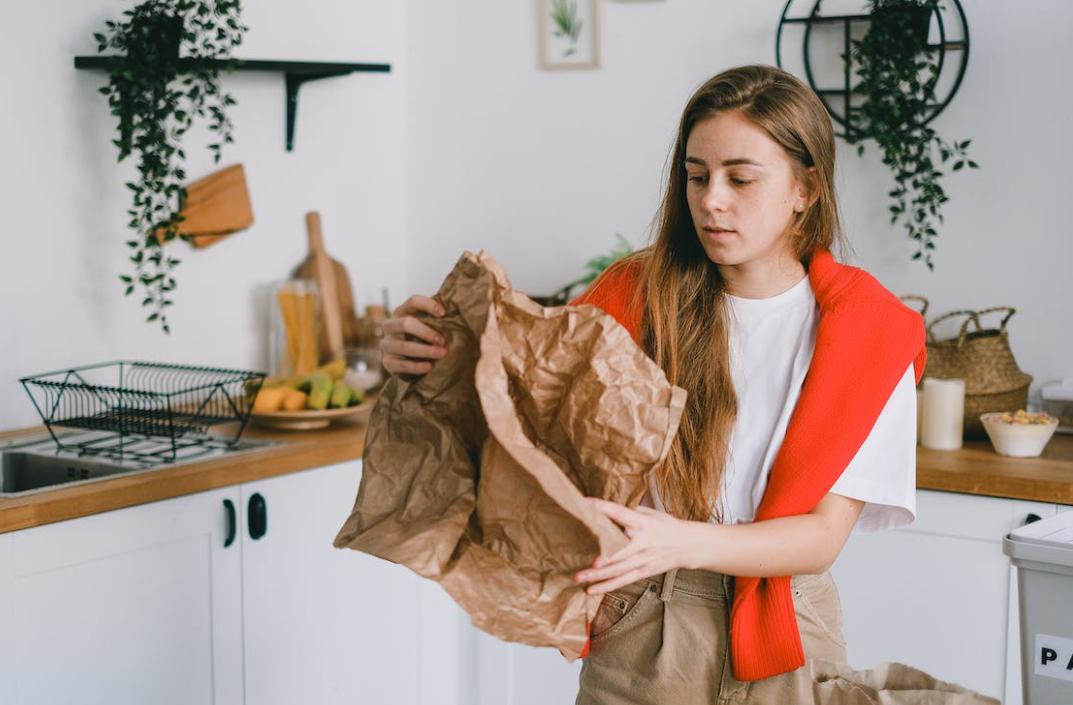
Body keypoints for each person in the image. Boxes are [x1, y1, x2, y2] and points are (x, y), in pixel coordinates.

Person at [377, 65, 988, 704]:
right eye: (697, 176)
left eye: (740, 178)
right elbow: (522, 419)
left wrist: (675, 541)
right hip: (644, 619)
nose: (711, 200)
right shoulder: (631, 299)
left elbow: (821, 536)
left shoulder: (871, 333)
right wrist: (429, 360)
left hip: (787, 627)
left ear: (805, 189)